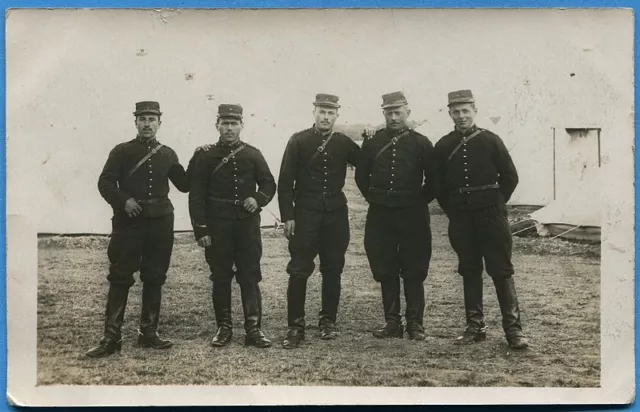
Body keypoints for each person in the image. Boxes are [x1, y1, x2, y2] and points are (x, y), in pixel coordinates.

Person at [87, 101, 205, 358]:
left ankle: (148, 333)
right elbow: (105, 182)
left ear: (159, 123)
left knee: (154, 276)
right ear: (136, 122)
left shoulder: (168, 154)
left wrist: (197, 156)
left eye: (152, 119)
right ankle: (111, 338)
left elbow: (184, 185)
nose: (147, 123)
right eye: (142, 119)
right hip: (129, 223)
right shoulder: (121, 151)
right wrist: (124, 201)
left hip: (161, 222)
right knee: (120, 276)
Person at [434, 89, 529, 349]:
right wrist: (454, 211)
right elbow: (439, 187)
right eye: (456, 111)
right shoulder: (443, 145)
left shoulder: (491, 140)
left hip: (491, 216)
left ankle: (514, 331)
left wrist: (496, 204)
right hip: (462, 218)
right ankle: (475, 327)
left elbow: (510, 177)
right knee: (469, 269)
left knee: (501, 270)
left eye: (466, 110)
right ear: (450, 113)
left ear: (475, 110)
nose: (461, 115)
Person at [189, 104, 276, 348]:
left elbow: (269, 184)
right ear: (217, 125)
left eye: (234, 123)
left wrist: (257, 200)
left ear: (241, 125)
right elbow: (195, 196)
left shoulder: (253, 154)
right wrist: (202, 230)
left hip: (247, 226)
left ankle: (253, 330)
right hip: (217, 227)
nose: (229, 128)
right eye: (225, 123)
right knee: (221, 276)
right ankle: (224, 328)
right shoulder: (205, 156)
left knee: (250, 275)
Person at [277, 94, 360, 349]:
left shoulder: (344, 143)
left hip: (335, 214)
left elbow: (370, 163)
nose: (325, 117)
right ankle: (296, 326)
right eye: (321, 111)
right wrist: (288, 217)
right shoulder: (298, 141)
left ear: (337, 115)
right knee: (299, 269)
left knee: (333, 268)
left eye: (330, 113)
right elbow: (285, 183)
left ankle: (328, 322)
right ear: (314, 112)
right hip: (305, 214)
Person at [355, 91, 439, 340]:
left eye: (398, 112)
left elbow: (434, 179)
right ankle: (392, 323)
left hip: (413, 215)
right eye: (389, 112)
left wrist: (417, 200)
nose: (393, 117)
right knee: (386, 265)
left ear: (407, 113)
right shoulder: (372, 142)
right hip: (381, 213)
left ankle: (415, 324)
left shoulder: (421, 142)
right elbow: (361, 176)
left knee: (414, 267)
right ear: (383, 113)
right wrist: (376, 199)